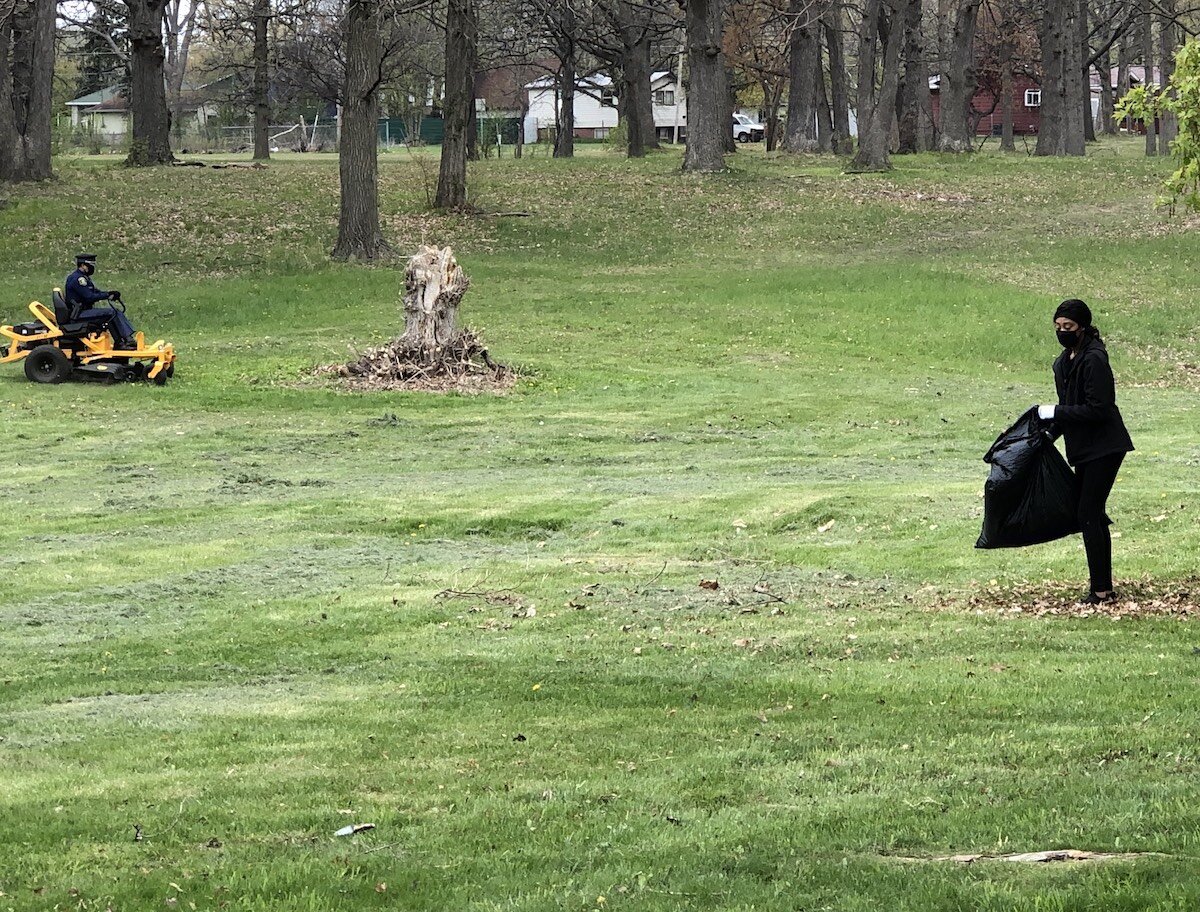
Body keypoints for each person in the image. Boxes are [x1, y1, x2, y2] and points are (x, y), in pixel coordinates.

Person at [1036, 299, 1134, 604]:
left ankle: (1102, 590)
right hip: (1084, 447)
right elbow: (1070, 407)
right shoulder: (1063, 363)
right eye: (1058, 327)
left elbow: (1098, 409)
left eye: (1069, 327)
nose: (1063, 332)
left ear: (1083, 327)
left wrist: (1054, 413)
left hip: (1105, 445)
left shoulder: (1094, 359)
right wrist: (1049, 432)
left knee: (1088, 512)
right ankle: (1101, 586)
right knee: (1089, 512)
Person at [64, 253, 138, 349]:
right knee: (111, 312)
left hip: (83, 312)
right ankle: (127, 339)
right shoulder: (77, 279)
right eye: (90, 265)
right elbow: (89, 296)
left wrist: (110, 294)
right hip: (78, 315)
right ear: (82, 265)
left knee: (112, 314)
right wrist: (107, 295)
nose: (92, 268)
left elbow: (95, 292)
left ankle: (121, 342)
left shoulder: (83, 278)